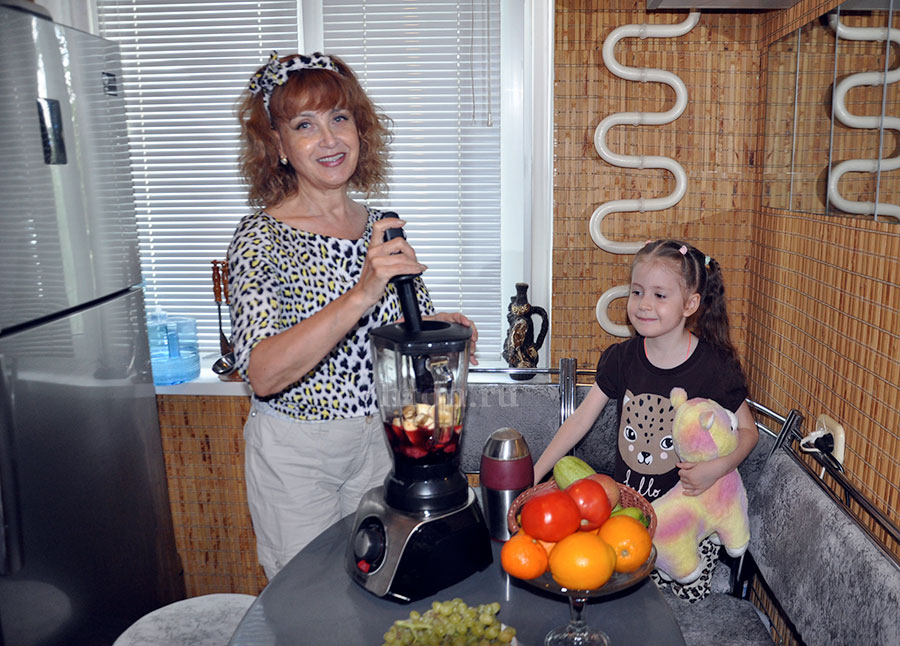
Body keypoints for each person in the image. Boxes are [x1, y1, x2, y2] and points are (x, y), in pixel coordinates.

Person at [228, 51, 477, 580]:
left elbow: (402, 338)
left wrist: (441, 333)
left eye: (339, 118)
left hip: (382, 445)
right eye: (305, 125)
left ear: (359, 129)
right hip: (299, 452)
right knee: (305, 596)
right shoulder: (259, 237)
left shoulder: (382, 225)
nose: (329, 139)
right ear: (278, 145)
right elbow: (263, 373)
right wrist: (363, 292)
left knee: (376, 585)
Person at [532, 239, 757, 602]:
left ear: (690, 304)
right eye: (637, 292)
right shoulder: (622, 358)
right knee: (622, 605)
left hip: (688, 527)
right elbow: (579, 421)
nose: (644, 304)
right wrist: (535, 473)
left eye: (659, 295)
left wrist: (716, 468)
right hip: (628, 517)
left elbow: (749, 432)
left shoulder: (715, 366)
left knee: (675, 613)